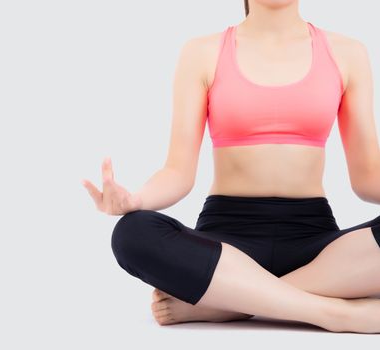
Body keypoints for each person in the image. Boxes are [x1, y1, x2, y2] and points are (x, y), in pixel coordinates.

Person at [82, 0, 380, 333]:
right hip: (226, 247)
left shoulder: (348, 52)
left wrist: (218, 303)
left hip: (315, 244)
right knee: (132, 233)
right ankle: (333, 313)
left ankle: (228, 305)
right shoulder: (202, 52)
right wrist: (135, 202)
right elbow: (178, 172)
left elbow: (368, 177)